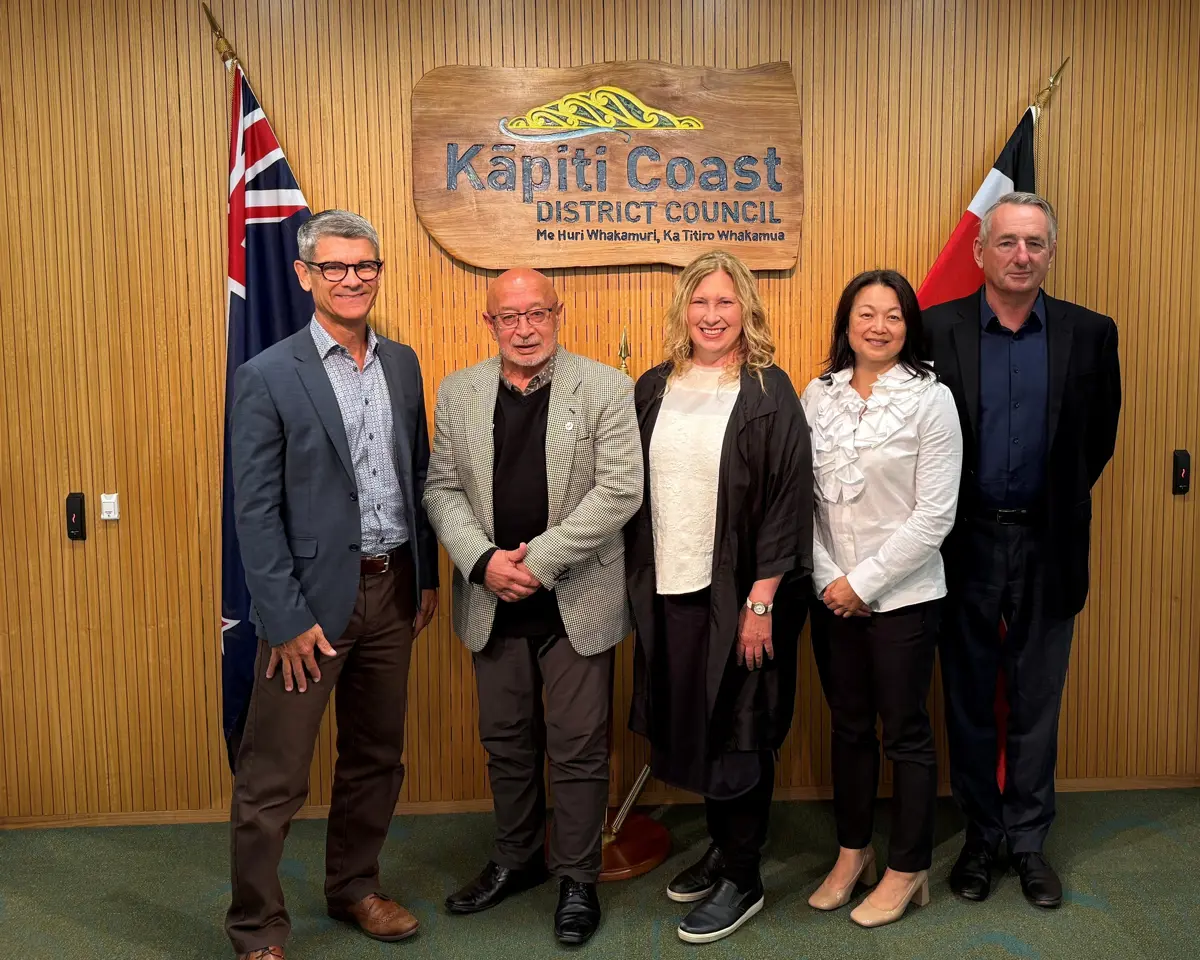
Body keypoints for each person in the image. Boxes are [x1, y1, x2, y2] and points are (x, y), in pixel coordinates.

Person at [226, 210, 440, 959]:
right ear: (305, 275)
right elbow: (252, 508)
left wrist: (427, 581)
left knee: (376, 756)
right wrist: (281, 618)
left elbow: (419, 479)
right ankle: (257, 927)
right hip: (307, 606)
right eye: (336, 268)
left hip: (392, 592)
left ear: (378, 272)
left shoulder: (404, 364)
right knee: (274, 778)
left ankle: (355, 888)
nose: (353, 279)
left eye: (366, 266)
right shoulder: (267, 375)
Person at [422, 268, 642, 946]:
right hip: (492, 599)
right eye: (509, 316)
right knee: (507, 744)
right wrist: (485, 563)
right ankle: (516, 858)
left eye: (537, 313)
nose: (524, 327)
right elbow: (442, 490)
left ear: (558, 314)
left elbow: (620, 491)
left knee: (578, 749)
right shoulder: (457, 393)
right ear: (488, 323)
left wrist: (537, 563)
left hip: (575, 598)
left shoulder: (605, 386)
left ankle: (577, 875)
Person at [924, 192, 1121, 909]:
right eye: (1006, 242)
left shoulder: (1091, 334)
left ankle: (1030, 843)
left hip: (1050, 541)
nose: (1021, 256)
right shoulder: (934, 328)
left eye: (1035, 243)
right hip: (961, 543)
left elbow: (1096, 440)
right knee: (970, 698)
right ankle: (982, 838)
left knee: (1039, 698)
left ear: (1051, 252)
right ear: (980, 252)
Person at [624, 250, 812, 945]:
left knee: (739, 725)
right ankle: (728, 845)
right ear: (682, 311)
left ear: (747, 313)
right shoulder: (652, 386)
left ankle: (745, 877)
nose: (711, 315)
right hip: (669, 588)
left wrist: (761, 600)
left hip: (739, 594)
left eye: (725, 303)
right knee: (696, 724)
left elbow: (789, 501)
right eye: (700, 303)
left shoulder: (768, 390)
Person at [801, 270, 963, 927]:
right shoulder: (817, 395)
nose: (877, 326)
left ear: (908, 326)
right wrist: (828, 581)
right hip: (829, 594)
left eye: (892, 315)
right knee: (847, 729)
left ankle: (907, 866)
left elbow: (936, 513)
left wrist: (862, 583)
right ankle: (852, 852)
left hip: (905, 596)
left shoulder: (932, 399)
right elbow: (800, 501)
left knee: (906, 734)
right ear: (845, 324)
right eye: (865, 313)